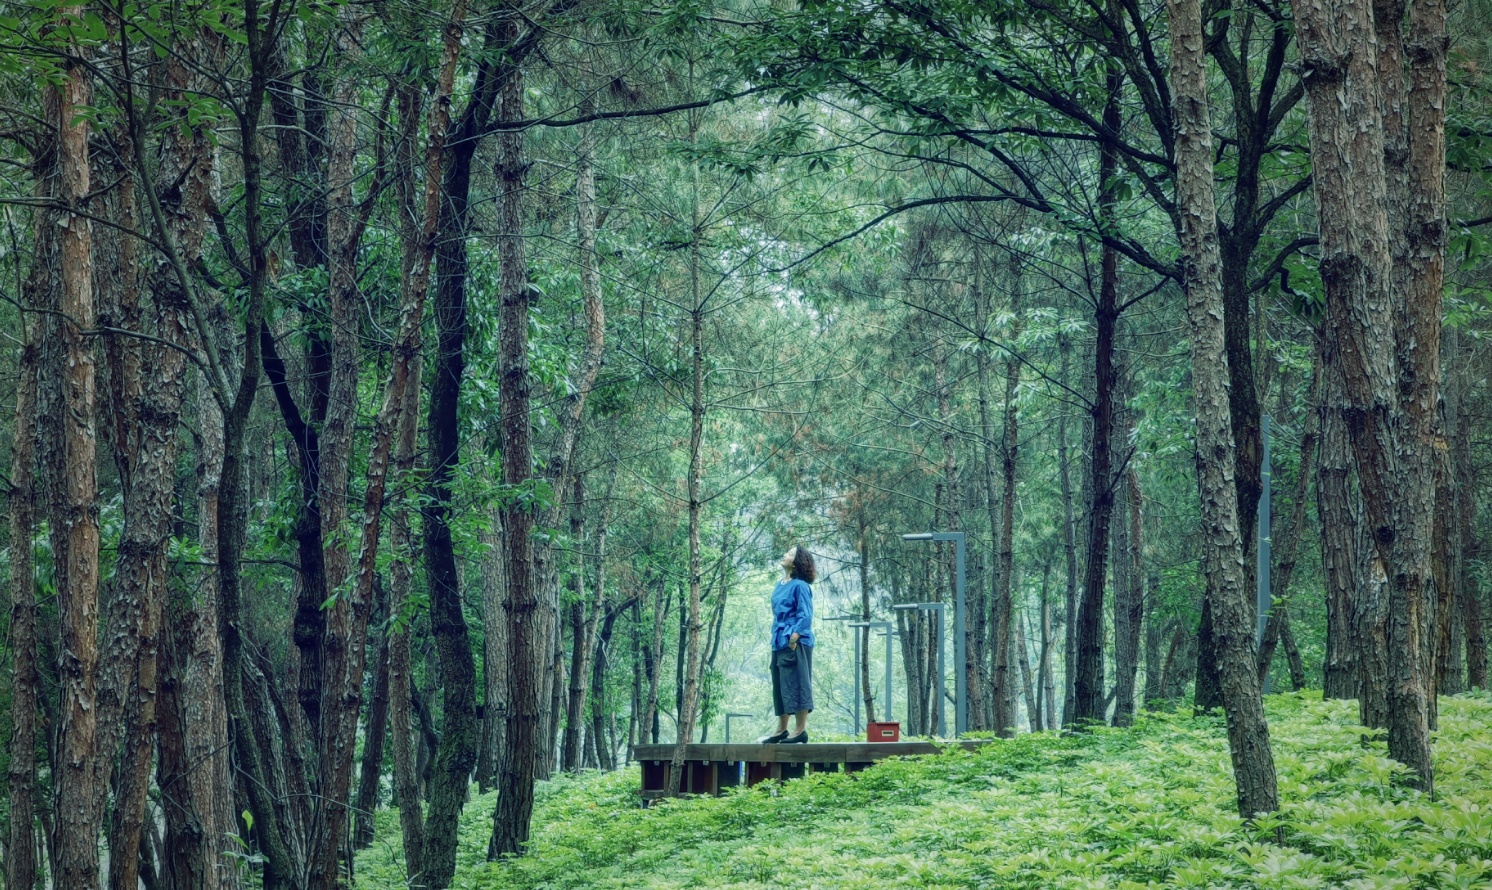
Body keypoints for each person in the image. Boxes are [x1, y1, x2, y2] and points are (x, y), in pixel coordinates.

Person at [764, 545, 815, 744]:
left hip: (796, 641)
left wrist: (794, 637)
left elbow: (805, 614)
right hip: (778, 640)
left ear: (796, 562)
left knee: (798, 682)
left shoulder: (801, 586)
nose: (785, 554)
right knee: (780, 683)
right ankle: (781, 729)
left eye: (790, 554)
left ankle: (800, 730)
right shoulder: (780, 585)